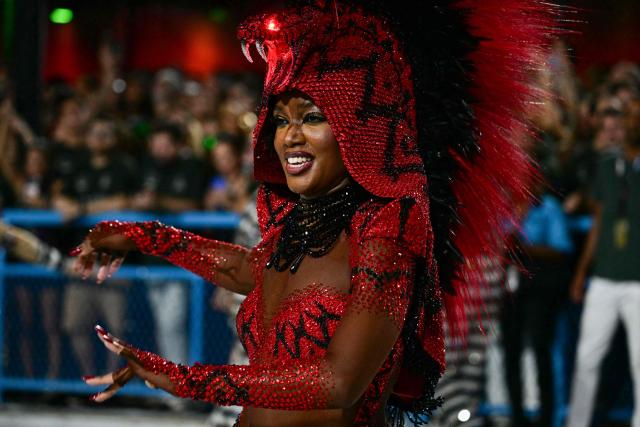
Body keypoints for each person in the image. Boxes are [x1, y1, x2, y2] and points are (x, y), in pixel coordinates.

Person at [71, 1, 560, 426]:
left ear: (357, 128)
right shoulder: (302, 223)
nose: (290, 137)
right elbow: (250, 269)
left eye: (311, 117)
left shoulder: (387, 229)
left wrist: (182, 378)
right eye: (281, 120)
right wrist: (140, 234)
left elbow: (338, 384)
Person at [566, 97, 640, 427]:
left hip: (638, 281)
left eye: (634, 118)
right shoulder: (607, 165)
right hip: (605, 277)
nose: (628, 124)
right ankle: (577, 423)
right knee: (586, 358)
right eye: (626, 117)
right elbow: (598, 222)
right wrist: (581, 273)